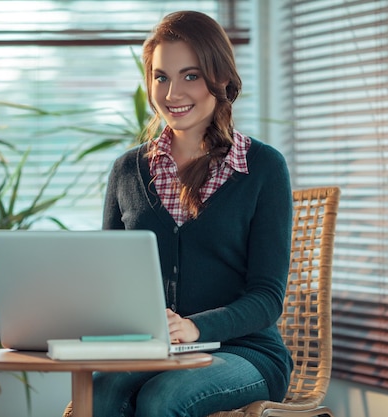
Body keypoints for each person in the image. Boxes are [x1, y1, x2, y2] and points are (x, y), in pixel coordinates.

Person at [94, 10, 293, 417]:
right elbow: (112, 282)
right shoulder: (127, 171)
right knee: (102, 391)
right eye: (161, 77)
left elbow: (267, 298)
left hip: (246, 353)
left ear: (221, 79)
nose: (172, 93)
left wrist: (196, 328)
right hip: (156, 352)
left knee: (164, 397)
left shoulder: (264, 169)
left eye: (191, 75)